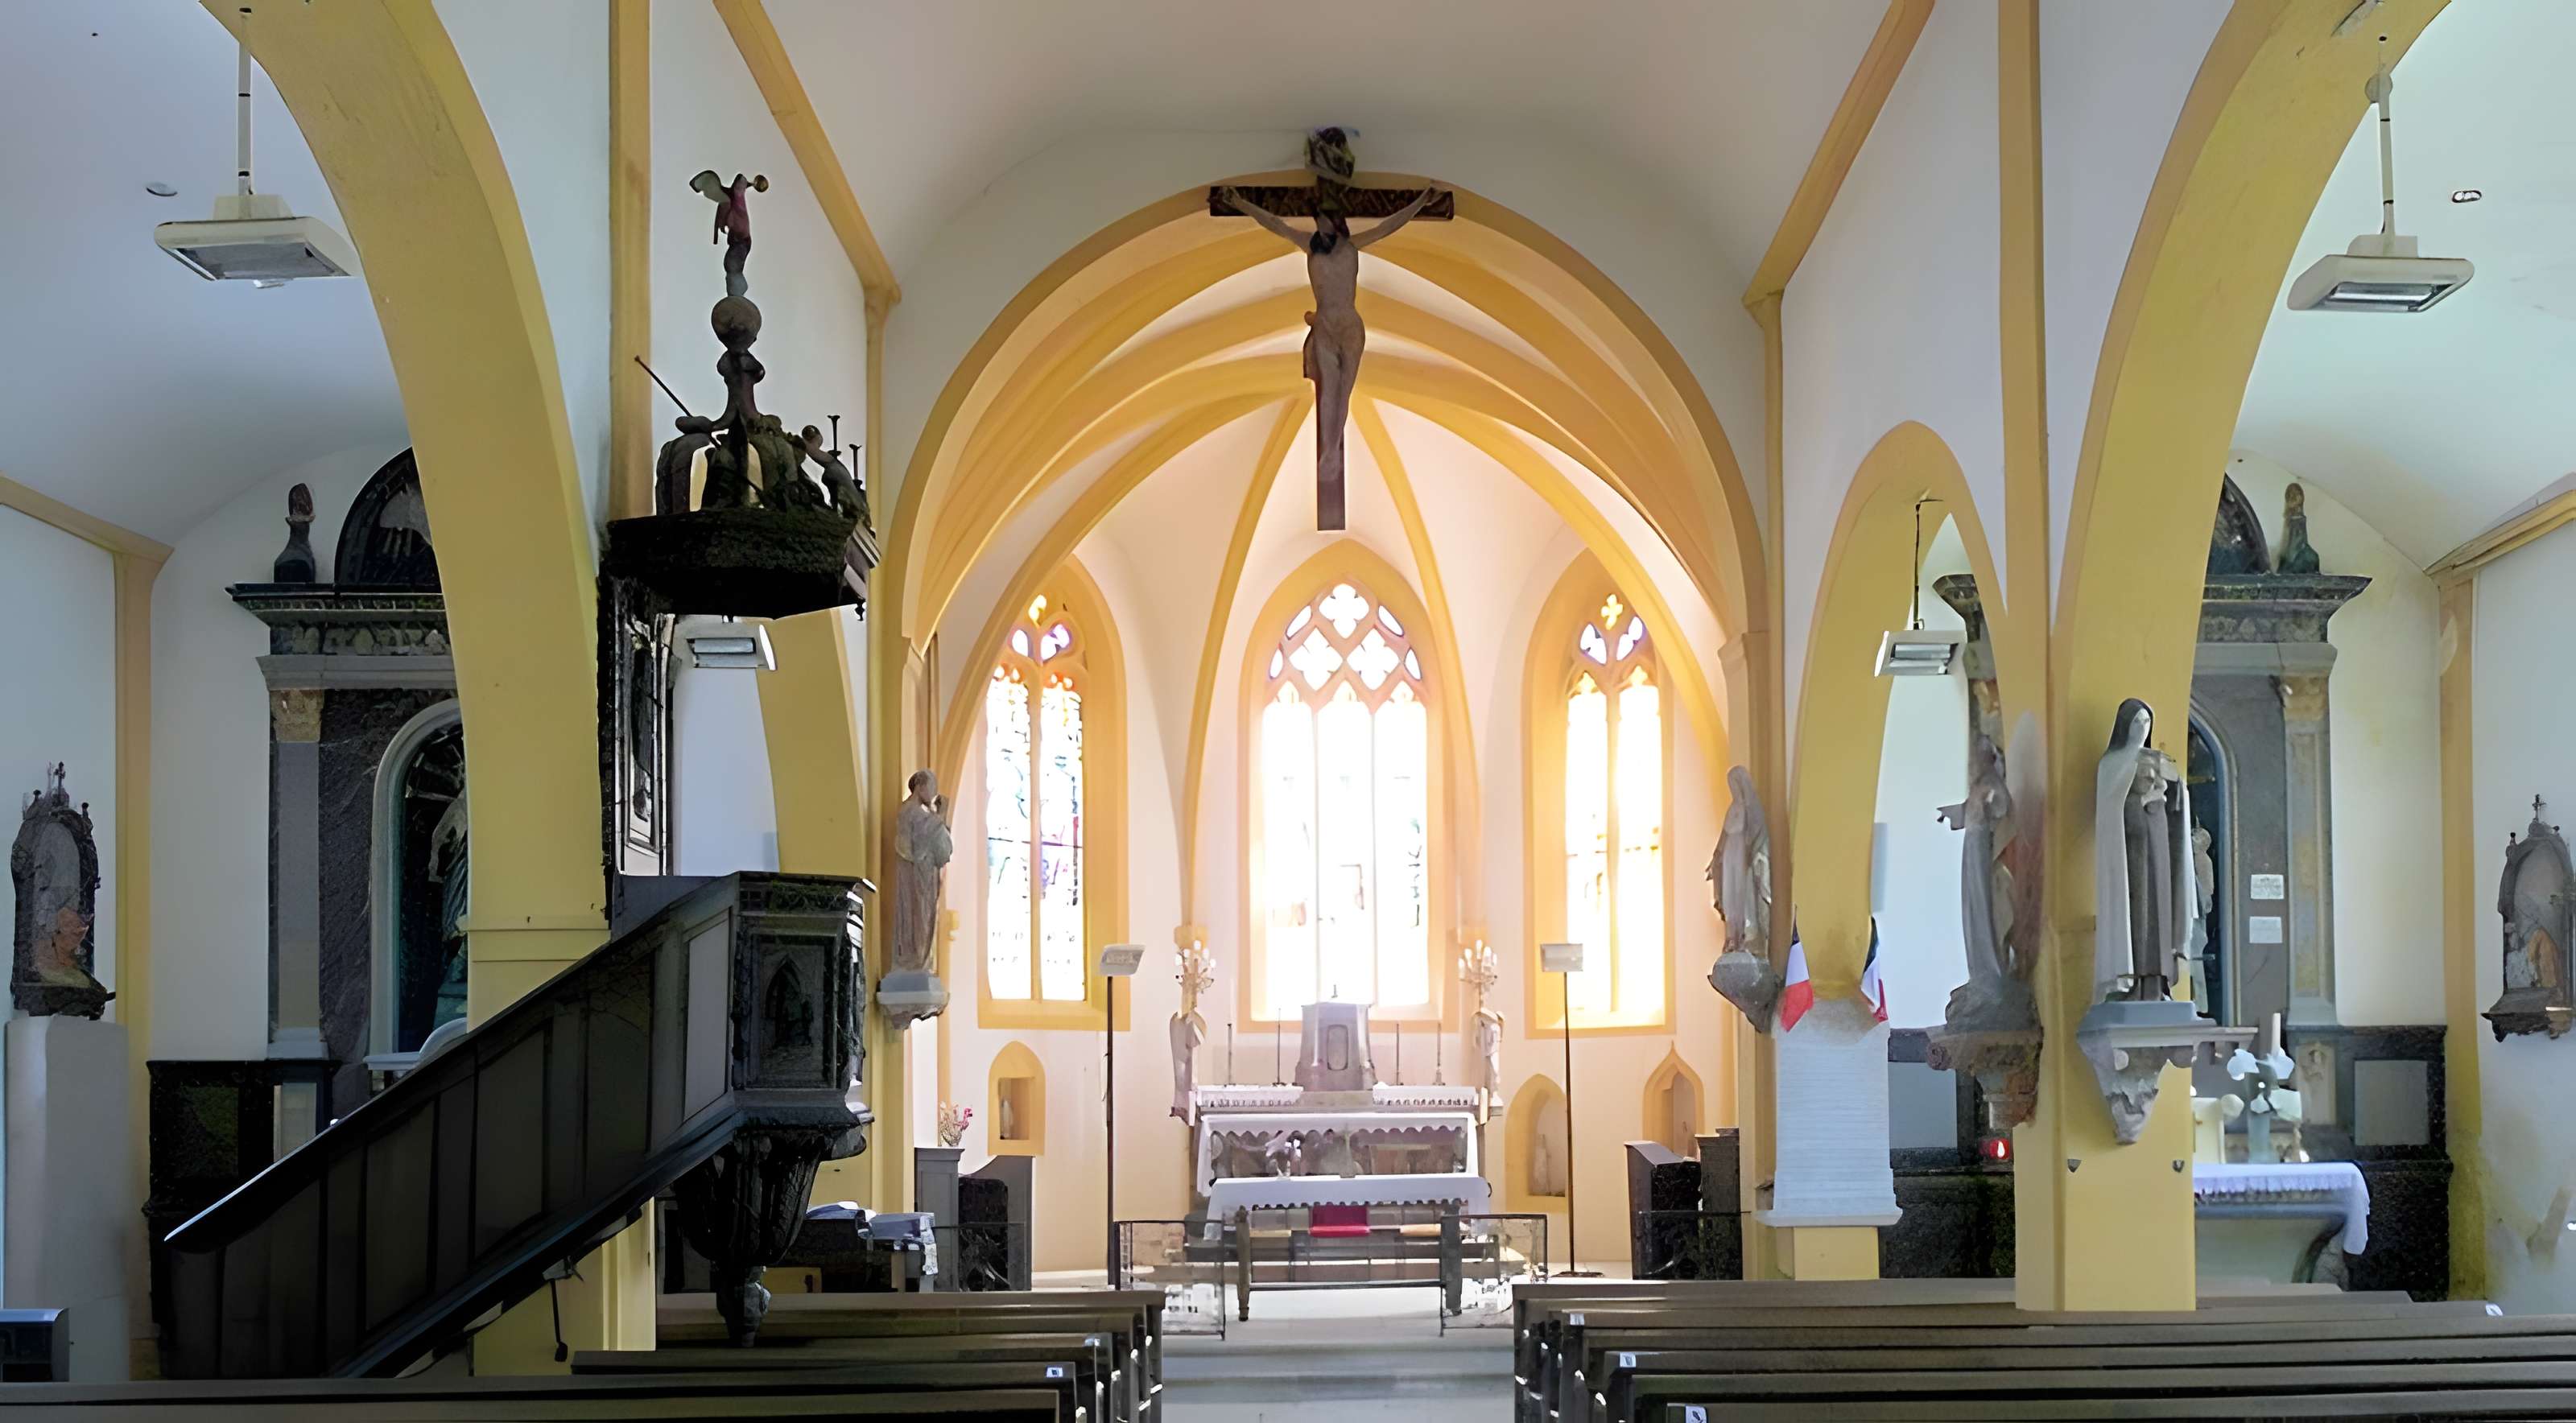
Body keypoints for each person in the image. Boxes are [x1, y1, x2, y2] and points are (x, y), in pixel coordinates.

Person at [1216, 167, 1443, 529]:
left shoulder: (1353, 246)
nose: (1320, 226)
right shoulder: (1310, 246)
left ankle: (1333, 447)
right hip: (1324, 326)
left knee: (1345, 392)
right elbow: (1275, 224)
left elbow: (1388, 226)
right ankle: (1330, 452)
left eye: (1324, 220)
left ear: (1336, 222)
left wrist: (1419, 202)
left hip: (1350, 329)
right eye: (1317, 220)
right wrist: (1242, 203)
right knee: (1330, 390)